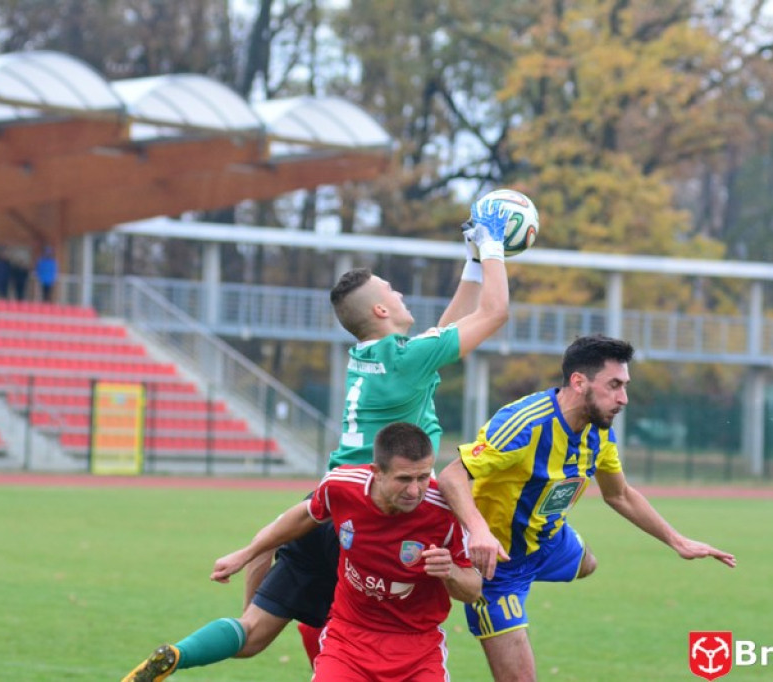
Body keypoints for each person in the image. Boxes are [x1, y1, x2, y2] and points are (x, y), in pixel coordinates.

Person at [121, 196, 515, 681]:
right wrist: (494, 246)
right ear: (379, 307)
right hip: (383, 507)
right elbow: (494, 313)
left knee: (254, 633)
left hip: (333, 501)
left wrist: (473, 261)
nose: (401, 294)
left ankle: (179, 655)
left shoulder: (372, 354)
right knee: (383, 628)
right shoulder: (407, 359)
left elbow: (446, 329)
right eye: (393, 290)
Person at [437, 334, 737, 682]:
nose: (623, 398)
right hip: (498, 565)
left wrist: (677, 540)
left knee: (588, 563)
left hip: (548, 542)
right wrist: (479, 530)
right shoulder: (525, 424)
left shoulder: (600, 430)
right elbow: (451, 476)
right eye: (614, 385)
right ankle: (464, 584)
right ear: (579, 382)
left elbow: (619, 494)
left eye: (624, 386)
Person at [209, 423, 478, 681]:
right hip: (349, 641)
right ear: (377, 471)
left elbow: (474, 589)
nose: (415, 490)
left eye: (423, 477)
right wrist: (245, 554)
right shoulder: (341, 486)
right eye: (404, 478)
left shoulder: (446, 511)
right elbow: (302, 517)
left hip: (418, 648)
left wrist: (451, 572)